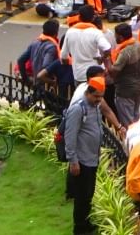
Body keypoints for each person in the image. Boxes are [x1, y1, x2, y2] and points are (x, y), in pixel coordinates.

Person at [62, 76, 106, 235]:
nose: (98, 100)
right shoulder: (78, 108)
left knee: (88, 194)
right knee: (82, 197)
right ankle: (79, 229)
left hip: (92, 158)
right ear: (88, 93)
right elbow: (70, 136)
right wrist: (73, 161)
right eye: (96, 96)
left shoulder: (95, 107)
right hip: (81, 161)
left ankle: (86, 223)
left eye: (101, 97)